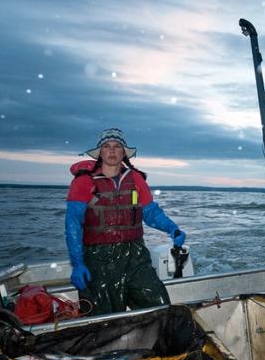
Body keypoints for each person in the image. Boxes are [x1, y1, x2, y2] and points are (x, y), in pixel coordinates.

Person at [65, 128, 186, 315]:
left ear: (123, 153)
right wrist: (77, 263)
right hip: (98, 259)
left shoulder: (136, 178)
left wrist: (172, 228)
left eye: (117, 147)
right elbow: (73, 224)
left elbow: (150, 212)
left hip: (135, 255)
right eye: (106, 146)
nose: (112, 151)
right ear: (100, 153)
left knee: (159, 307)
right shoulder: (83, 182)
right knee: (105, 319)